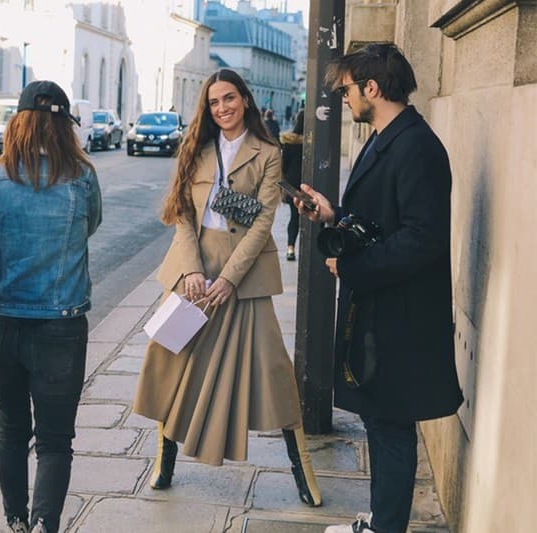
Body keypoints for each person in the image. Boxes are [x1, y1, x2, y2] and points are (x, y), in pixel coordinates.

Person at [133, 69, 321, 508]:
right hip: (191, 271)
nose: (223, 108)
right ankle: (164, 461)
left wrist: (228, 279)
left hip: (244, 276)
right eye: (215, 102)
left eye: (230, 98)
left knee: (274, 372)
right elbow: (181, 212)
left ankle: (304, 473)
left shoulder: (269, 152)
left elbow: (261, 224)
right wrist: (194, 270)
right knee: (169, 365)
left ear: (245, 100)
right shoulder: (194, 147)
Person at [294, 44, 463, 533]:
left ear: (372, 87)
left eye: (347, 89)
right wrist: (333, 216)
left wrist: (352, 268)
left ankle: (387, 528)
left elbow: (421, 239)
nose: (344, 98)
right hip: (382, 309)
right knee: (381, 422)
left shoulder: (416, 145)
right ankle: (383, 521)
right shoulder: (386, 137)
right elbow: (384, 221)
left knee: (390, 426)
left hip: (400, 314)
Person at [0, 80, 102, 533]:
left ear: (16, 124)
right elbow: (89, 228)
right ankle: (45, 525)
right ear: (65, 128)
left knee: (11, 431)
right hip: (62, 326)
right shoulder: (82, 179)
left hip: (3, 324)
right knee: (56, 441)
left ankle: (15, 521)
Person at [280, 109, 305, 260]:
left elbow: (283, 166)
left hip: (292, 185)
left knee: (294, 217)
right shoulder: (313, 143)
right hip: (309, 184)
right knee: (313, 219)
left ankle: (290, 249)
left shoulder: (290, 143)